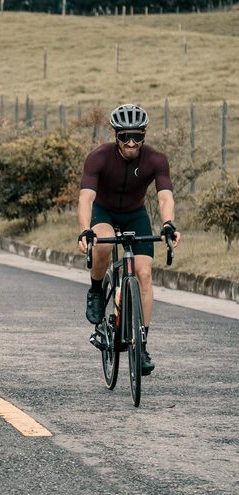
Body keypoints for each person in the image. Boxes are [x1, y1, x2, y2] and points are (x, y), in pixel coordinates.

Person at [77, 104, 181, 375]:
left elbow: (164, 196)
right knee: (103, 239)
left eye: (137, 136)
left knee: (144, 275)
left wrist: (169, 224)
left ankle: (142, 344)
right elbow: (86, 197)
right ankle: (97, 290)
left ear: (144, 134)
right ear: (116, 135)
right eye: (125, 137)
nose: (131, 142)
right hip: (104, 212)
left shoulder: (155, 159)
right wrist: (85, 229)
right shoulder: (98, 157)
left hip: (135, 215)